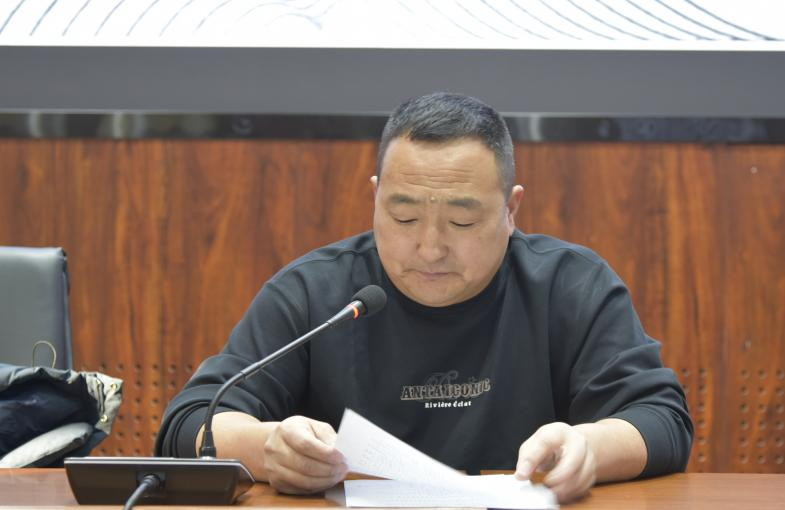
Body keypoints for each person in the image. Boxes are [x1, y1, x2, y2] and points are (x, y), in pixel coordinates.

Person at [156, 92, 692, 503]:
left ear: (511, 210)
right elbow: (190, 422)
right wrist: (268, 447)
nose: (430, 247)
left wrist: (590, 448)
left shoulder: (569, 285)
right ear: (375, 199)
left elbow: (661, 419)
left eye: (462, 222)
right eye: (404, 216)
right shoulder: (315, 292)